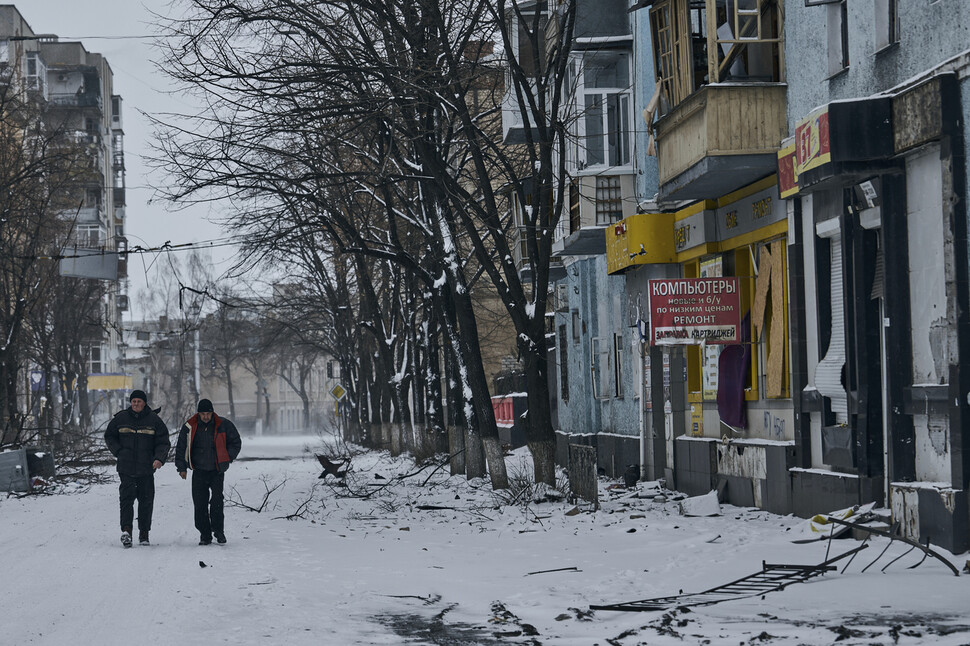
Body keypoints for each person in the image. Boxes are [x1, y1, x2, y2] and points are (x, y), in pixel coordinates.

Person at [104, 390, 171, 548]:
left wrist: (158, 458)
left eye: (139, 402)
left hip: (146, 469)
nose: (136, 404)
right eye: (133, 401)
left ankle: (144, 533)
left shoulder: (154, 420)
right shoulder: (121, 418)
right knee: (126, 500)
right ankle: (126, 531)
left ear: (144, 403)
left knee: (146, 501)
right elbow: (110, 436)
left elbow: (163, 442)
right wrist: (119, 451)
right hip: (126, 467)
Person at [175, 399, 242, 545]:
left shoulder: (223, 425)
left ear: (212, 413)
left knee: (217, 501)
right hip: (198, 470)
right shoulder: (190, 426)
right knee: (200, 504)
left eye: (208, 413)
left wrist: (227, 457)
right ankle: (205, 534)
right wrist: (181, 467)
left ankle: (219, 531)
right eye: (203, 414)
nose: (205, 417)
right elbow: (181, 447)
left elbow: (235, 442)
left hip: (217, 470)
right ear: (198, 413)